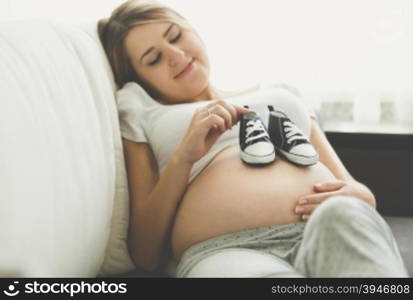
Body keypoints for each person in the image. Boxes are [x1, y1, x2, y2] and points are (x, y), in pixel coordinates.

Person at [98, 0, 408, 277]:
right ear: (141, 80)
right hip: (228, 252)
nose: (176, 56)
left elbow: (354, 189)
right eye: (153, 59)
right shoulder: (145, 111)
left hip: (328, 223)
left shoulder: (280, 93)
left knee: (348, 223)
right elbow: (146, 254)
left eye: (176, 36)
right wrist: (184, 157)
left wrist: (361, 196)